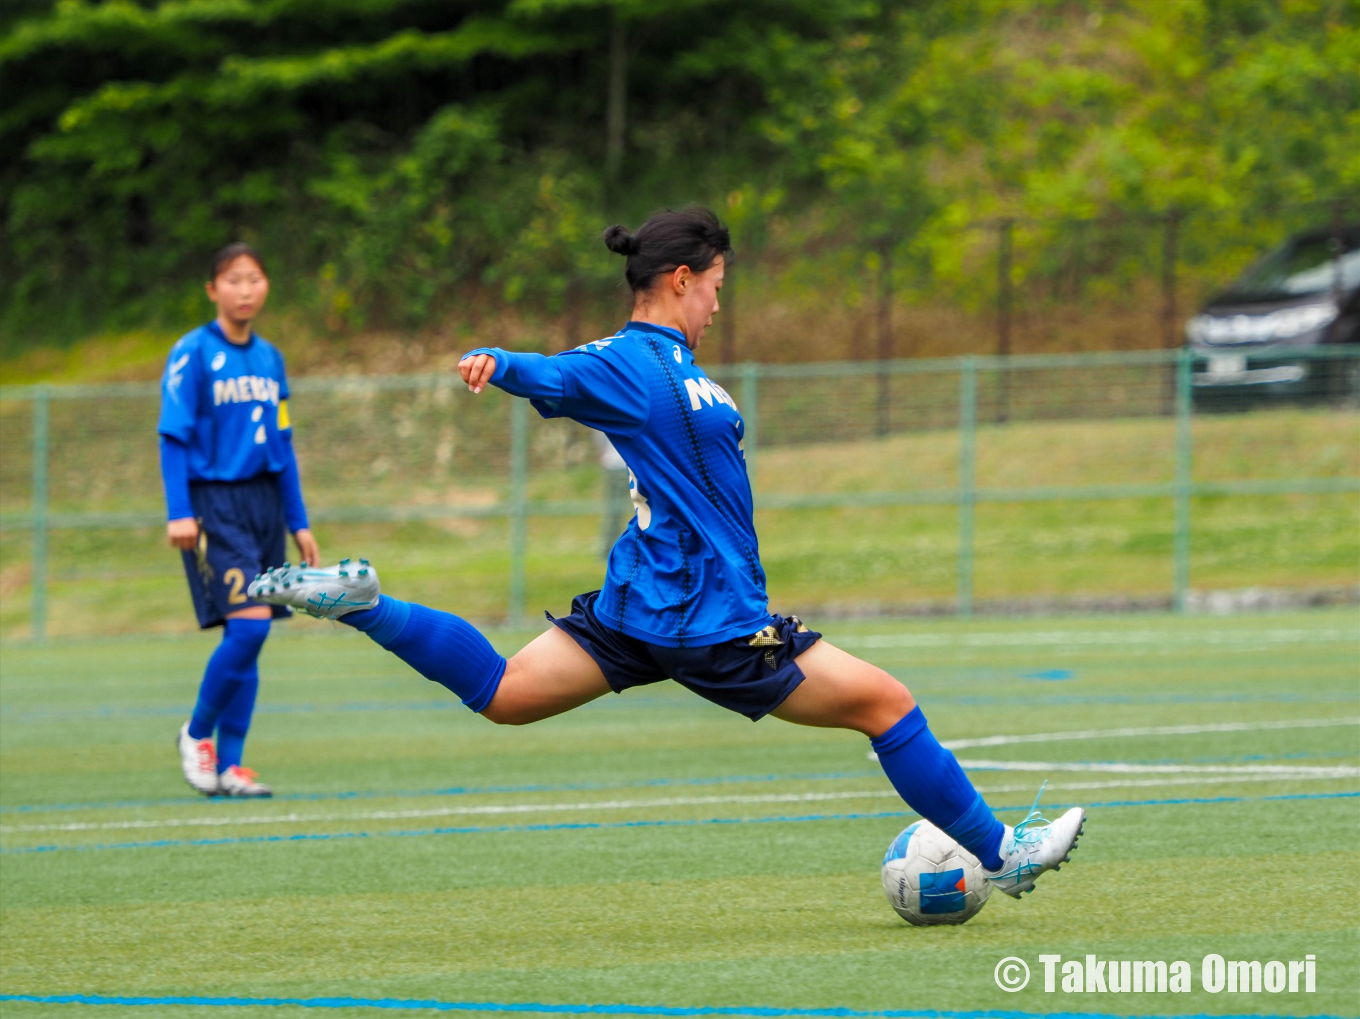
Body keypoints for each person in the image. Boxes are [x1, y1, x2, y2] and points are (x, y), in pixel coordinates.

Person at [250, 209, 1083, 896]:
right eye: (717, 287)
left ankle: (366, 606)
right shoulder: (630, 362)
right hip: (709, 617)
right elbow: (557, 375)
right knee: (888, 705)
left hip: (640, 604)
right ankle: (1002, 854)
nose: (720, 304)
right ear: (682, 280)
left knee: (502, 692)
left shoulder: (669, 367)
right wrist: (498, 363)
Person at [160, 242, 319, 798]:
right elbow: (173, 436)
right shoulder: (193, 353)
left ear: (266, 286)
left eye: (254, 278)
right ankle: (196, 733)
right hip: (217, 505)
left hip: (264, 508)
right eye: (233, 280)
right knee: (249, 625)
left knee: (250, 635)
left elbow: (283, 444)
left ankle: (230, 766)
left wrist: (298, 523)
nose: (245, 289)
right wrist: (180, 511)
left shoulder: (269, 358)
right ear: (213, 290)